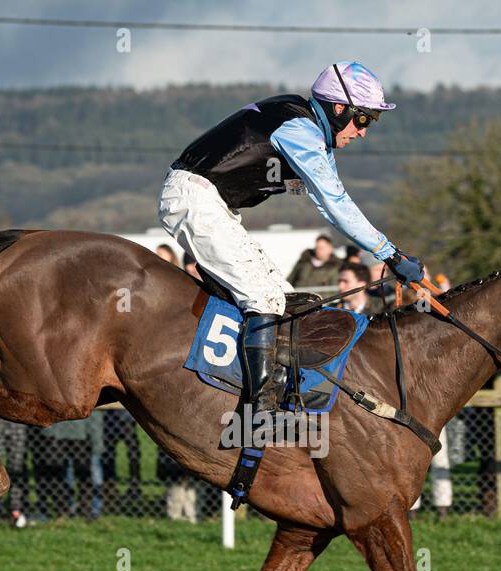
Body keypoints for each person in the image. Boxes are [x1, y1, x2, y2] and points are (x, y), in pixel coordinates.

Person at [158, 61, 423, 432]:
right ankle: (256, 417)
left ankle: (247, 393)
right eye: (363, 120)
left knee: (281, 300)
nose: (363, 133)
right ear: (339, 109)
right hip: (195, 199)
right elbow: (336, 204)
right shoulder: (299, 129)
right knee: (265, 302)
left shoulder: (305, 125)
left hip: (211, 204)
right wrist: (390, 253)